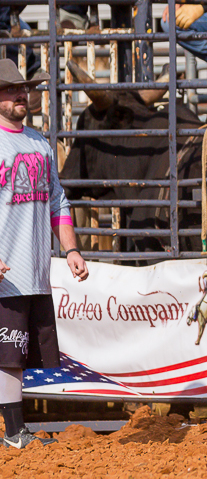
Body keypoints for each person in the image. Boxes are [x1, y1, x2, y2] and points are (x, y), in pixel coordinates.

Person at [0, 59, 88, 448]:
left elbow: (58, 200)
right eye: (11, 90)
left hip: (33, 267)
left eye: (24, 89)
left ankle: (16, 431)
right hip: (6, 266)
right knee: (8, 352)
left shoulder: (38, 142)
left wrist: (70, 249)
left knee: (16, 352)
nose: (22, 94)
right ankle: (15, 432)